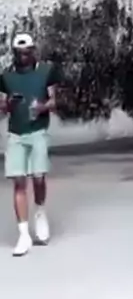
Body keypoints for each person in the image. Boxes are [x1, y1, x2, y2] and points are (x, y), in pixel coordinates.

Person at [0, 32, 61, 256]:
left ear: (33, 51)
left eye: (27, 53)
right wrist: (9, 105)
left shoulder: (46, 71)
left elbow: (54, 102)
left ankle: (40, 212)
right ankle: (23, 234)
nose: (23, 57)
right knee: (19, 182)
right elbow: (2, 108)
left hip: (38, 132)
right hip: (16, 134)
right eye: (19, 53)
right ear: (14, 53)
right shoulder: (6, 76)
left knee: (38, 177)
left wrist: (42, 107)